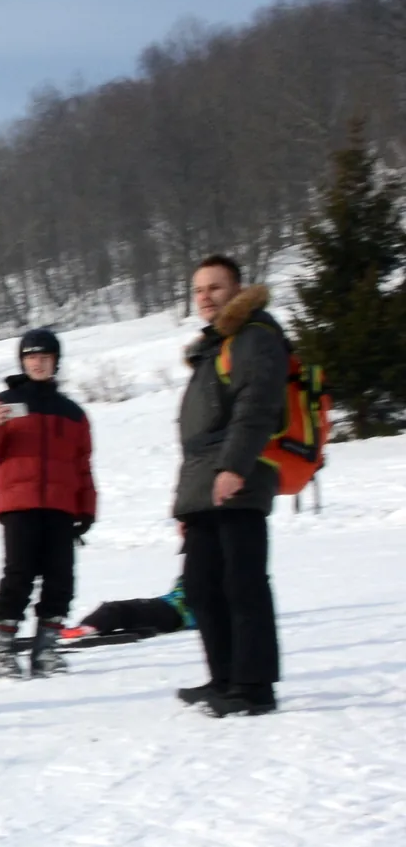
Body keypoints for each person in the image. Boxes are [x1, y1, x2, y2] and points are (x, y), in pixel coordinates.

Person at [175, 255, 288, 716]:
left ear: (237, 290)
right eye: (199, 289)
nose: (205, 297)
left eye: (215, 288)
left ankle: (254, 686)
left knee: (242, 583)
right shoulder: (213, 346)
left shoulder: (255, 337)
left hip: (237, 477)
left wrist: (234, 467)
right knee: (201, 585)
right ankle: (224, 678)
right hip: (204, 483)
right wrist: (187, 507)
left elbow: (257, 407)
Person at [0, 328, 96, 680]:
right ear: (22, 362)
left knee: (61, 578)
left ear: (55, 362)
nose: (38, 363)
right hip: (19, 503)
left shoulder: (72, 413)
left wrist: (86, 508)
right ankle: (2, 648)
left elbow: (82, 465)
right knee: (19, 575)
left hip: (60, 506)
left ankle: (47, 648)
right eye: (31, 358)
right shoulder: (5, 403)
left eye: (44, 357)